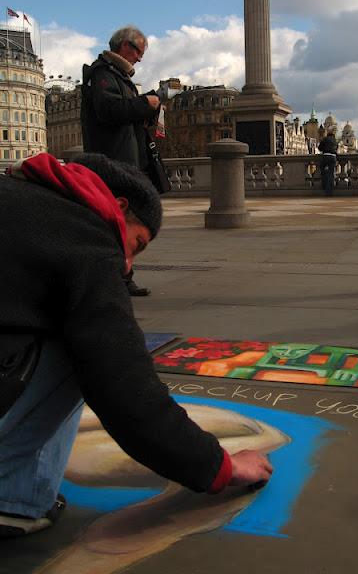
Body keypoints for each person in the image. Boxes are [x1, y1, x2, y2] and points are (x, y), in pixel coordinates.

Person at [0, 153, 273, 538]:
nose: (127, 264)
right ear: (120, 207)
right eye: (136, 244)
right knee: (81, 346)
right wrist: (217, 466)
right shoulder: (85, 236)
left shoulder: (18, 197)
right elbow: (122, 383)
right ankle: (11, 497)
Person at [81, 25, 162, 297]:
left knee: (123, 221)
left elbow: (124, 116)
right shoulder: (102, 74)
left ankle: (122, 278)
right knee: (116, 222)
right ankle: (116, 279)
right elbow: (108, 111)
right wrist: (144, 104)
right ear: (125, 46)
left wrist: (149, 111)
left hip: (125, 161)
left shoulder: (119, 76)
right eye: (139, 51)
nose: (140, 58)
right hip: (113, 162)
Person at [318, 130, 338, 196]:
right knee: (331, 173)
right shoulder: (335, 140)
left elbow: (319, 148)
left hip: (326, 155)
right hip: (333, 157)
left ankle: (324, 185)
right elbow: (336, 148)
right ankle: (329, 191)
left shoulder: (325, 139)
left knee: (322, 170)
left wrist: (324, 148)